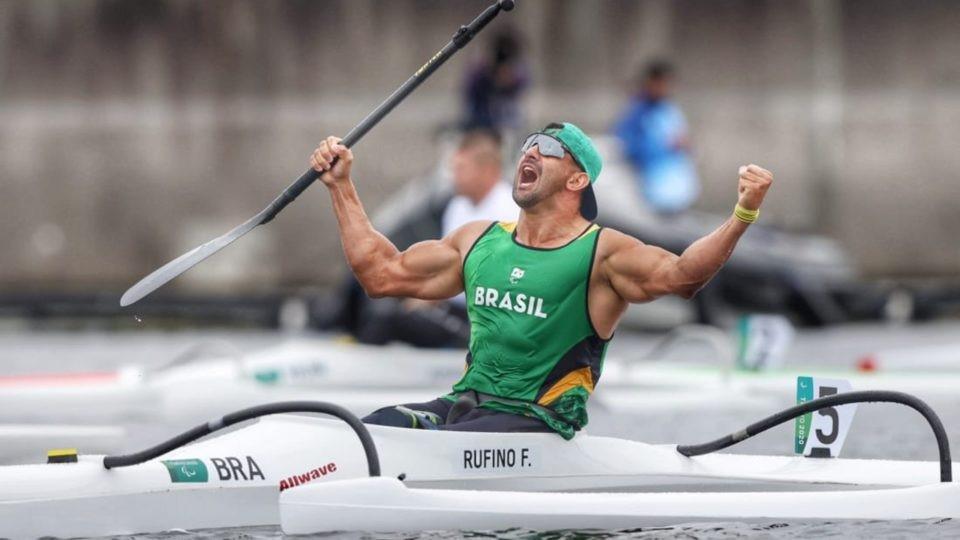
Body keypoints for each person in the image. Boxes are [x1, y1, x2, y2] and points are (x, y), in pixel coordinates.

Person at [309, 122, 772, 439]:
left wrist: (743, 213)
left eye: (549, 150)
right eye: (529, 144)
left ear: (576, 181)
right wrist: (341, 187)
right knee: (370, 428)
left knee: (426, 442)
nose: (530, 152)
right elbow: (381, 274)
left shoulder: (603, 252)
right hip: (464, 407)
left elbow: (683, 276)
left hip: (536, 422)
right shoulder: (478, 241)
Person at [615, 60, 700, 214]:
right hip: (655, 188)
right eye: (662, 83)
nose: (666, 88)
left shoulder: (668, 109)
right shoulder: (637, 113)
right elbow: (629, 148)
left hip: (678, 189)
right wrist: (664, 146)